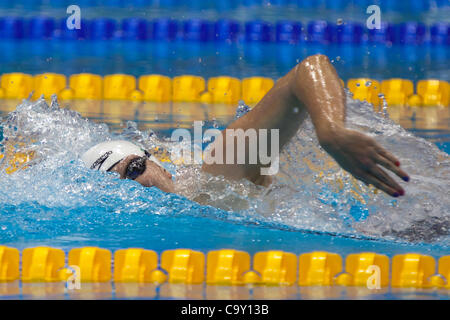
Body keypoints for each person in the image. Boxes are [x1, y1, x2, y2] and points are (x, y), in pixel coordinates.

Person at [81, 54, 410, 198]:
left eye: (134, 169)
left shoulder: (214, 176)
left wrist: (332, 131)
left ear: (161, 167)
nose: (135, 188)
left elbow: (308, 71)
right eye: (119, 186)